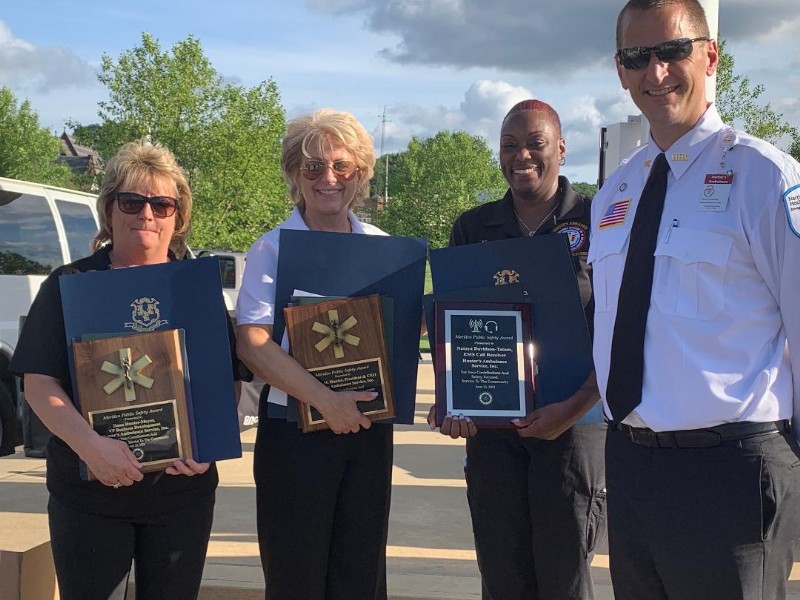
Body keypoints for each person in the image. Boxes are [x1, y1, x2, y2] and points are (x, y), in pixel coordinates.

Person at [590, 1, 800, 598]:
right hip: (632, 466)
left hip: (731, 469)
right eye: (637, 58)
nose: (655, 74)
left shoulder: (762, 176)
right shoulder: (616, 191)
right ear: (621, 71)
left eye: (671, 51)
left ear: (710, 55)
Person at [10, 139, 241, 600]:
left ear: (179, 216)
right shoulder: (70, 285)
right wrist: (91, 447)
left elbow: (225, 378)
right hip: (91, 494)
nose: (147, 215)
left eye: (162, 204)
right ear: (109, 210)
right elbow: (38, 382)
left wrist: (206, 443)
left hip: (181, 490)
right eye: (132, 201)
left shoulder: (196, 289)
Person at [431, 99, 607, 600]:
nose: (522, 155)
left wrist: (575, 408)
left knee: (565, 574)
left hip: (575, 425)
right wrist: (452, 401)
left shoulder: (599, 220)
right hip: (493, 428)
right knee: (502, 572)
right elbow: (454, 325)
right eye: (510, 145)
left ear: (562, 150)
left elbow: (617, 325)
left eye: (536, 143)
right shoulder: (472, 228)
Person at [236, 108, 392, 600]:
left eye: (342, 166)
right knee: (295, 576)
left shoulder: (387, 249)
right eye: (312, 168)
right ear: (293, 176)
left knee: (360, 574)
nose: (328, 178)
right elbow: (253, 344)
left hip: (368, 430)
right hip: (295, 434)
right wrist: (326, 400)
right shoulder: (272, 249)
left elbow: (403, 334)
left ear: (361, 173)